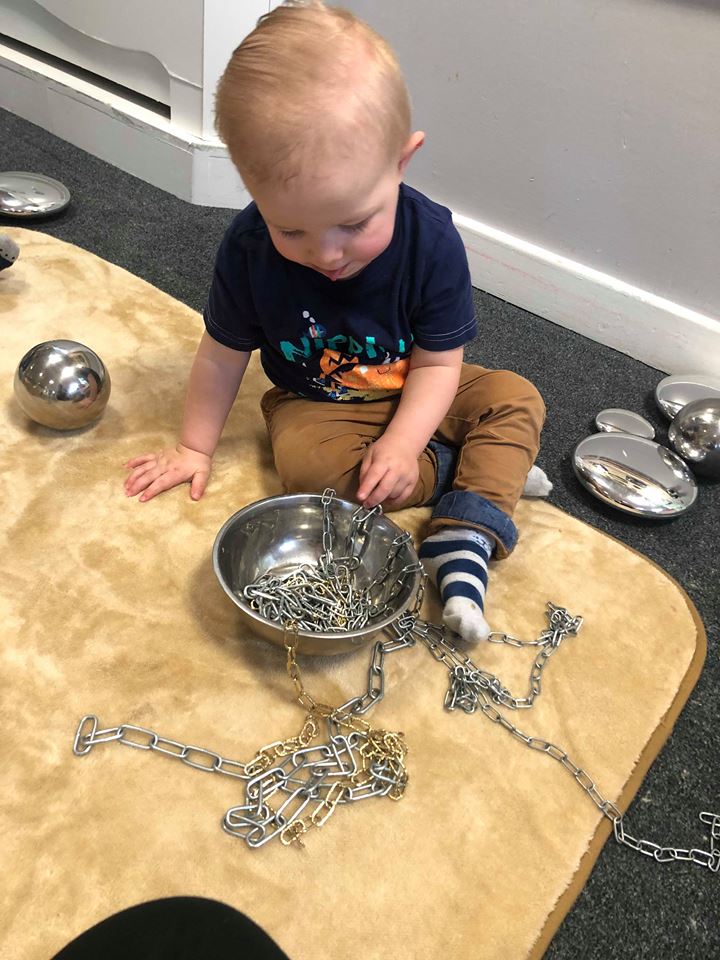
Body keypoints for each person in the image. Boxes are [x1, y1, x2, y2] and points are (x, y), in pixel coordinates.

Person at [124, 0, 547, 642]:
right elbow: (220, 353)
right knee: (310, 477)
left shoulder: (432, 242)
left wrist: (402, 445)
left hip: (417, 380)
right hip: (316, 402)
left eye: (354, 223)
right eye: (291, 229)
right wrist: (194, 447)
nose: (326, 255)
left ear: (401, 162)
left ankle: (466, 528)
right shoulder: (248, 248)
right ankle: (480, 470)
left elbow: (439, 363)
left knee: (517, 398)